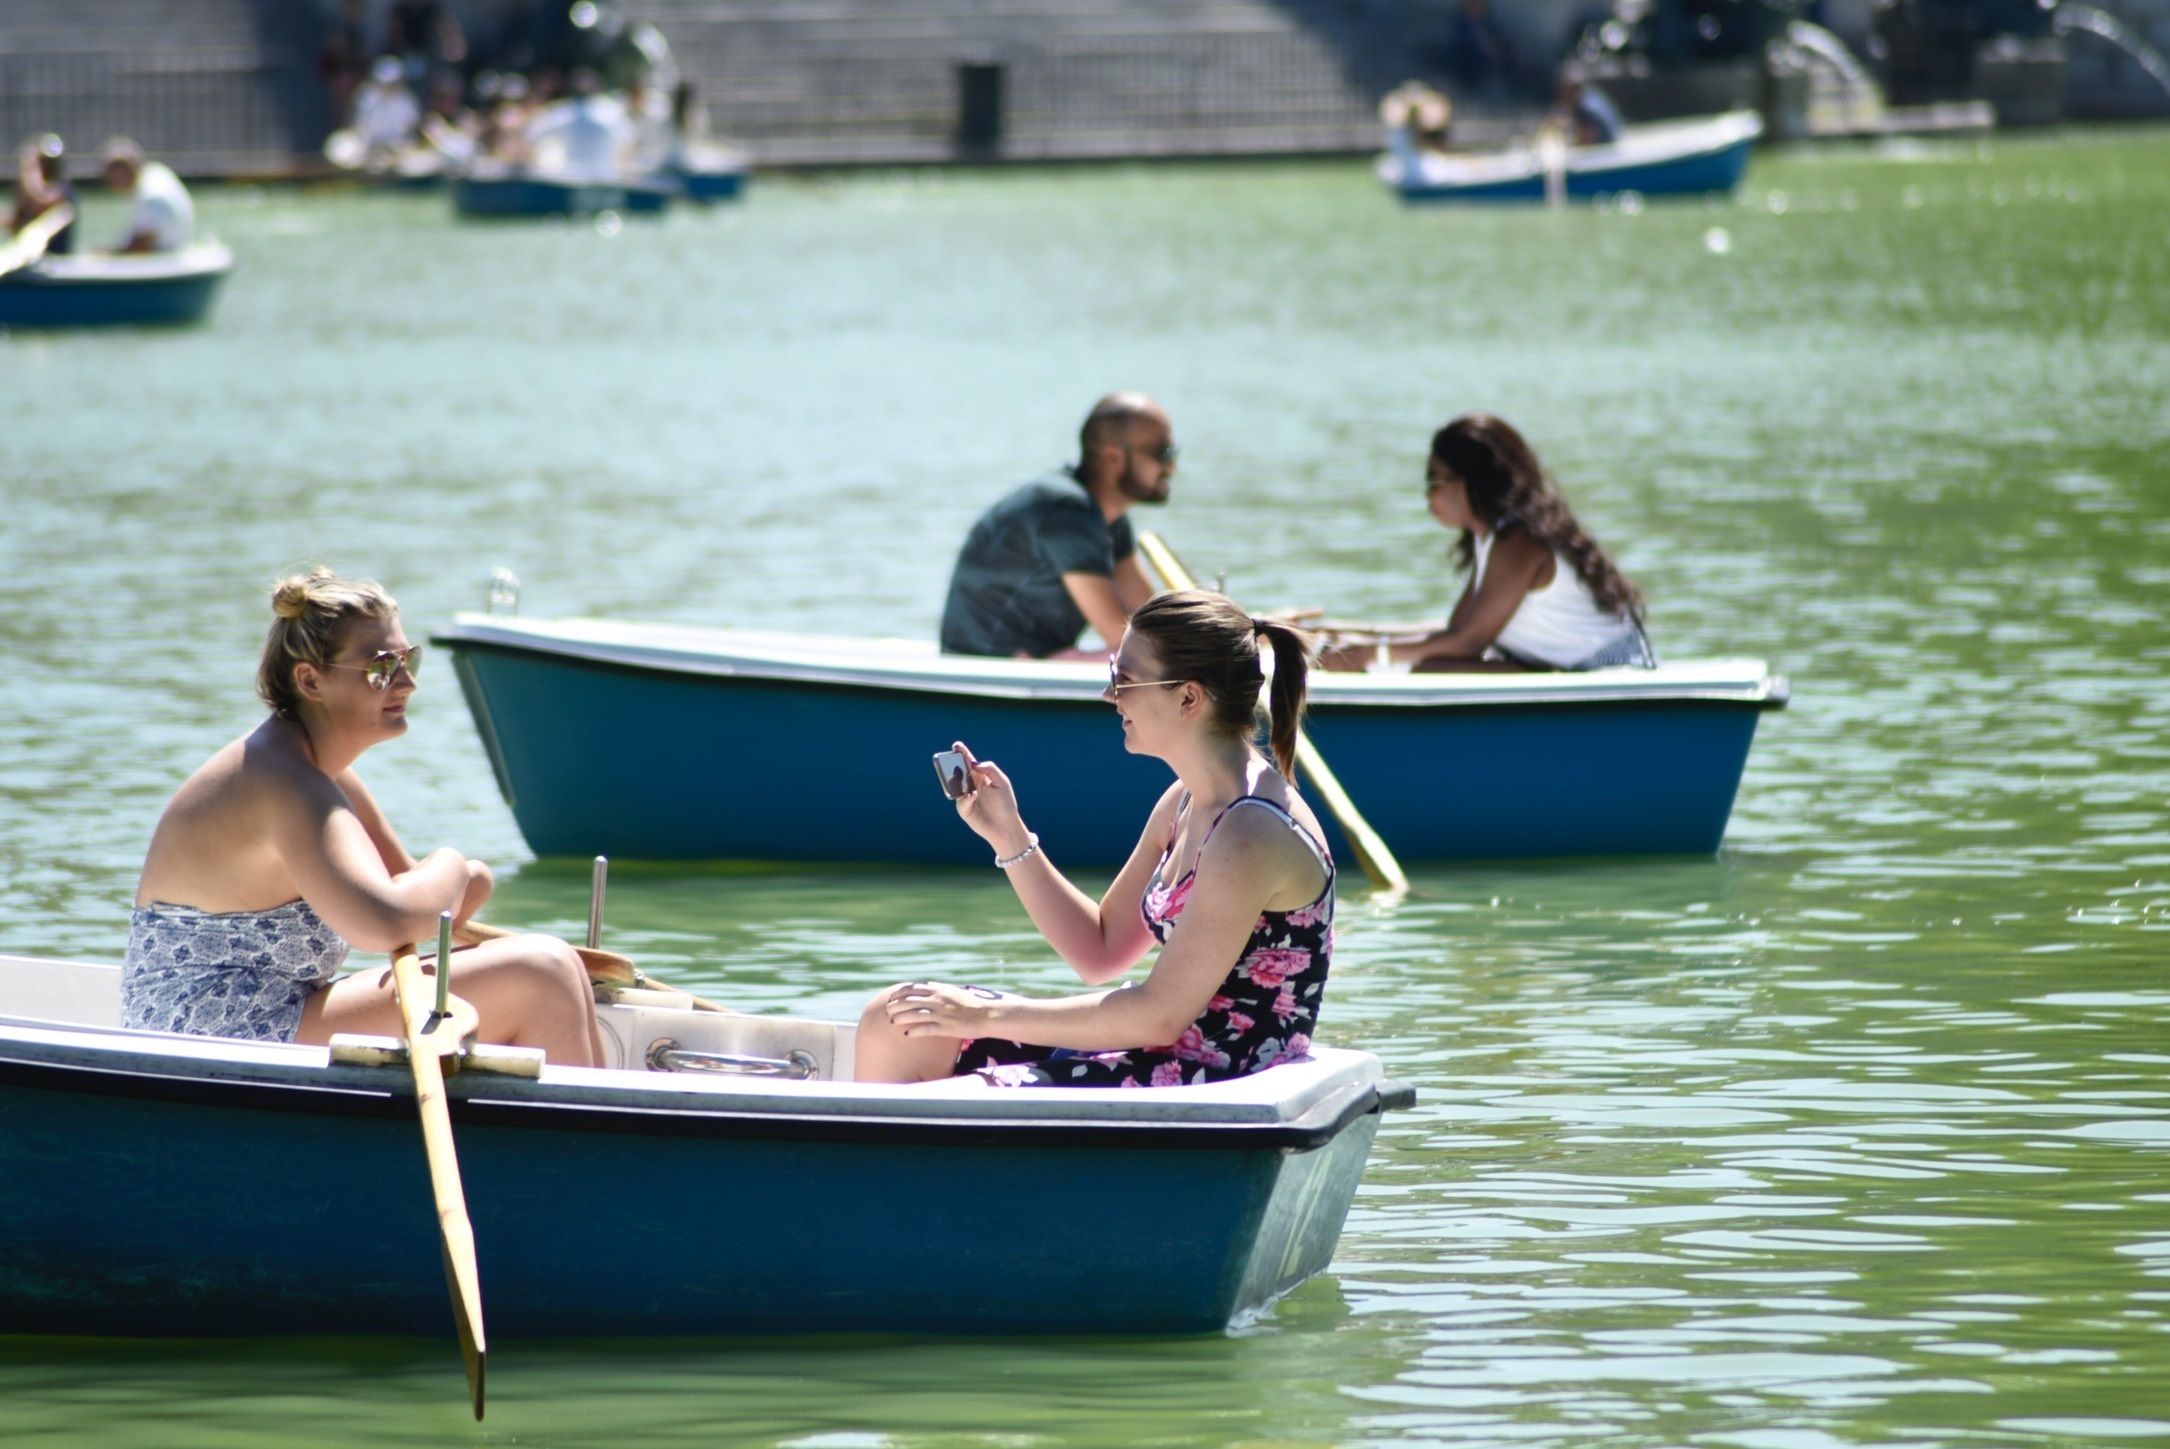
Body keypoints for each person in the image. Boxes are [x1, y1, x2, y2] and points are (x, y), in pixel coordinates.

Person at [121, 568, 604, 1066]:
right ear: (310, 679)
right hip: (205, 1035)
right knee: (539, 971)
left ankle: (598, 1129)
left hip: (272, 1013)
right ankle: (589, 1140)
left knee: (560, 961)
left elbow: (429, 904)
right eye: (382, 666)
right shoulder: (283, 783)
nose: (407, 681)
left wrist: (449, 883)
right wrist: (452, 862)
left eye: (408, 659)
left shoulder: (322, 775)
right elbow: (385, 923)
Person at [857, 590, 1333, 1088]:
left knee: (948, 1047)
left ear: (1188, 697)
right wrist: (1008, 835)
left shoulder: (1250, 832)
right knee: (897, 1019)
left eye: (1123, 680)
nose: (1109, 696)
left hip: (1216, 1076)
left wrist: (983, 1016)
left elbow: (1160, 1015)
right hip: (1156, 1050)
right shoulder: (1185, 801)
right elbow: (1100, 950)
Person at [1321, 413, 1653, 673]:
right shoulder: (1491, 541)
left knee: (1435, 670)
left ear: (1472, 482)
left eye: (1434, 480)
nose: (1427, 494)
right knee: (1434, 667)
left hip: (1608, 675)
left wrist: (1368, 654)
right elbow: (1454, 630)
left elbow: (1467, 642)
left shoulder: (1519, 543)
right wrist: (1347, 634)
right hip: (1561, 671)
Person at [939, 393, 1176, 661]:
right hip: (987, 671)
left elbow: (1153, 622)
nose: (1173, 466)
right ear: (1113, 457)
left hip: (1035, 666)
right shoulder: (1067, 511)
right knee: (1146, 658)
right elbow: (1126, 639)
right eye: (1163, 452)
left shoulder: (1111, 520)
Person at [523, 68, 633, 180]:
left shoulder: (562, 112)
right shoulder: (611, 112)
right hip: (605, 177)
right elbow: (629, 140)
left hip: (571, 177)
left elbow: (531, 134)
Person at [100, 138, 194, 255]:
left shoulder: (151, 197)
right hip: (173, 251)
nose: (117, 177)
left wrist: (106, 256)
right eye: (114, 170)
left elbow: (140, 247)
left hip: (165, 259)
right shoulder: (156, 171)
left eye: (121, 169)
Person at [10, 134, 77, 256]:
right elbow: (15, 221)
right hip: (28, 262)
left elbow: (40, 201)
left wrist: (30, 169)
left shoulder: (63, 189)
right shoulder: (26, 189)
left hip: (56, 263)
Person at [1551, 71, 1624, 146]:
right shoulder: (1590, 95)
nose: (1562, 97)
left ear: (1572, 90)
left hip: (1606, 148)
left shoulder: (1586, 109)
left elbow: (1587, 139)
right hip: (1613, 142)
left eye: (1564, 91)